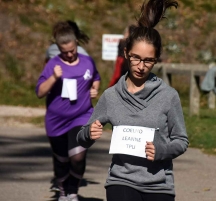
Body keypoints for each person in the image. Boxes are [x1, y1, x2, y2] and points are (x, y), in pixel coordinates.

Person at [77, 1, 189, 201]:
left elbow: (181, 140)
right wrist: (89, 133)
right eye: (136, 58)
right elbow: (81, 137)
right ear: (126, 53)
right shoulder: (111, 96)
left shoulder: (168, 96)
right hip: (121, 181)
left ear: (156, 60)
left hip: (159, 185)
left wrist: (162, 151)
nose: (140, 66)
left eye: (148, 60)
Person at [36, 21, 101, 201]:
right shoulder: (53, 65)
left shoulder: (87, 62)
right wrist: (54, 77)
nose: (70, 55)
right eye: (65, 52)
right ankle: (63, 192)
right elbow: (40, 92)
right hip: (56, 121)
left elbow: (95, 77)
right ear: (58, 49)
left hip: (82, 116)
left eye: (72, 50)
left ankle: (73, 192)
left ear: (76, 45)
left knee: (78, 156)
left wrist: (94, 89)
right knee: (62, 160)